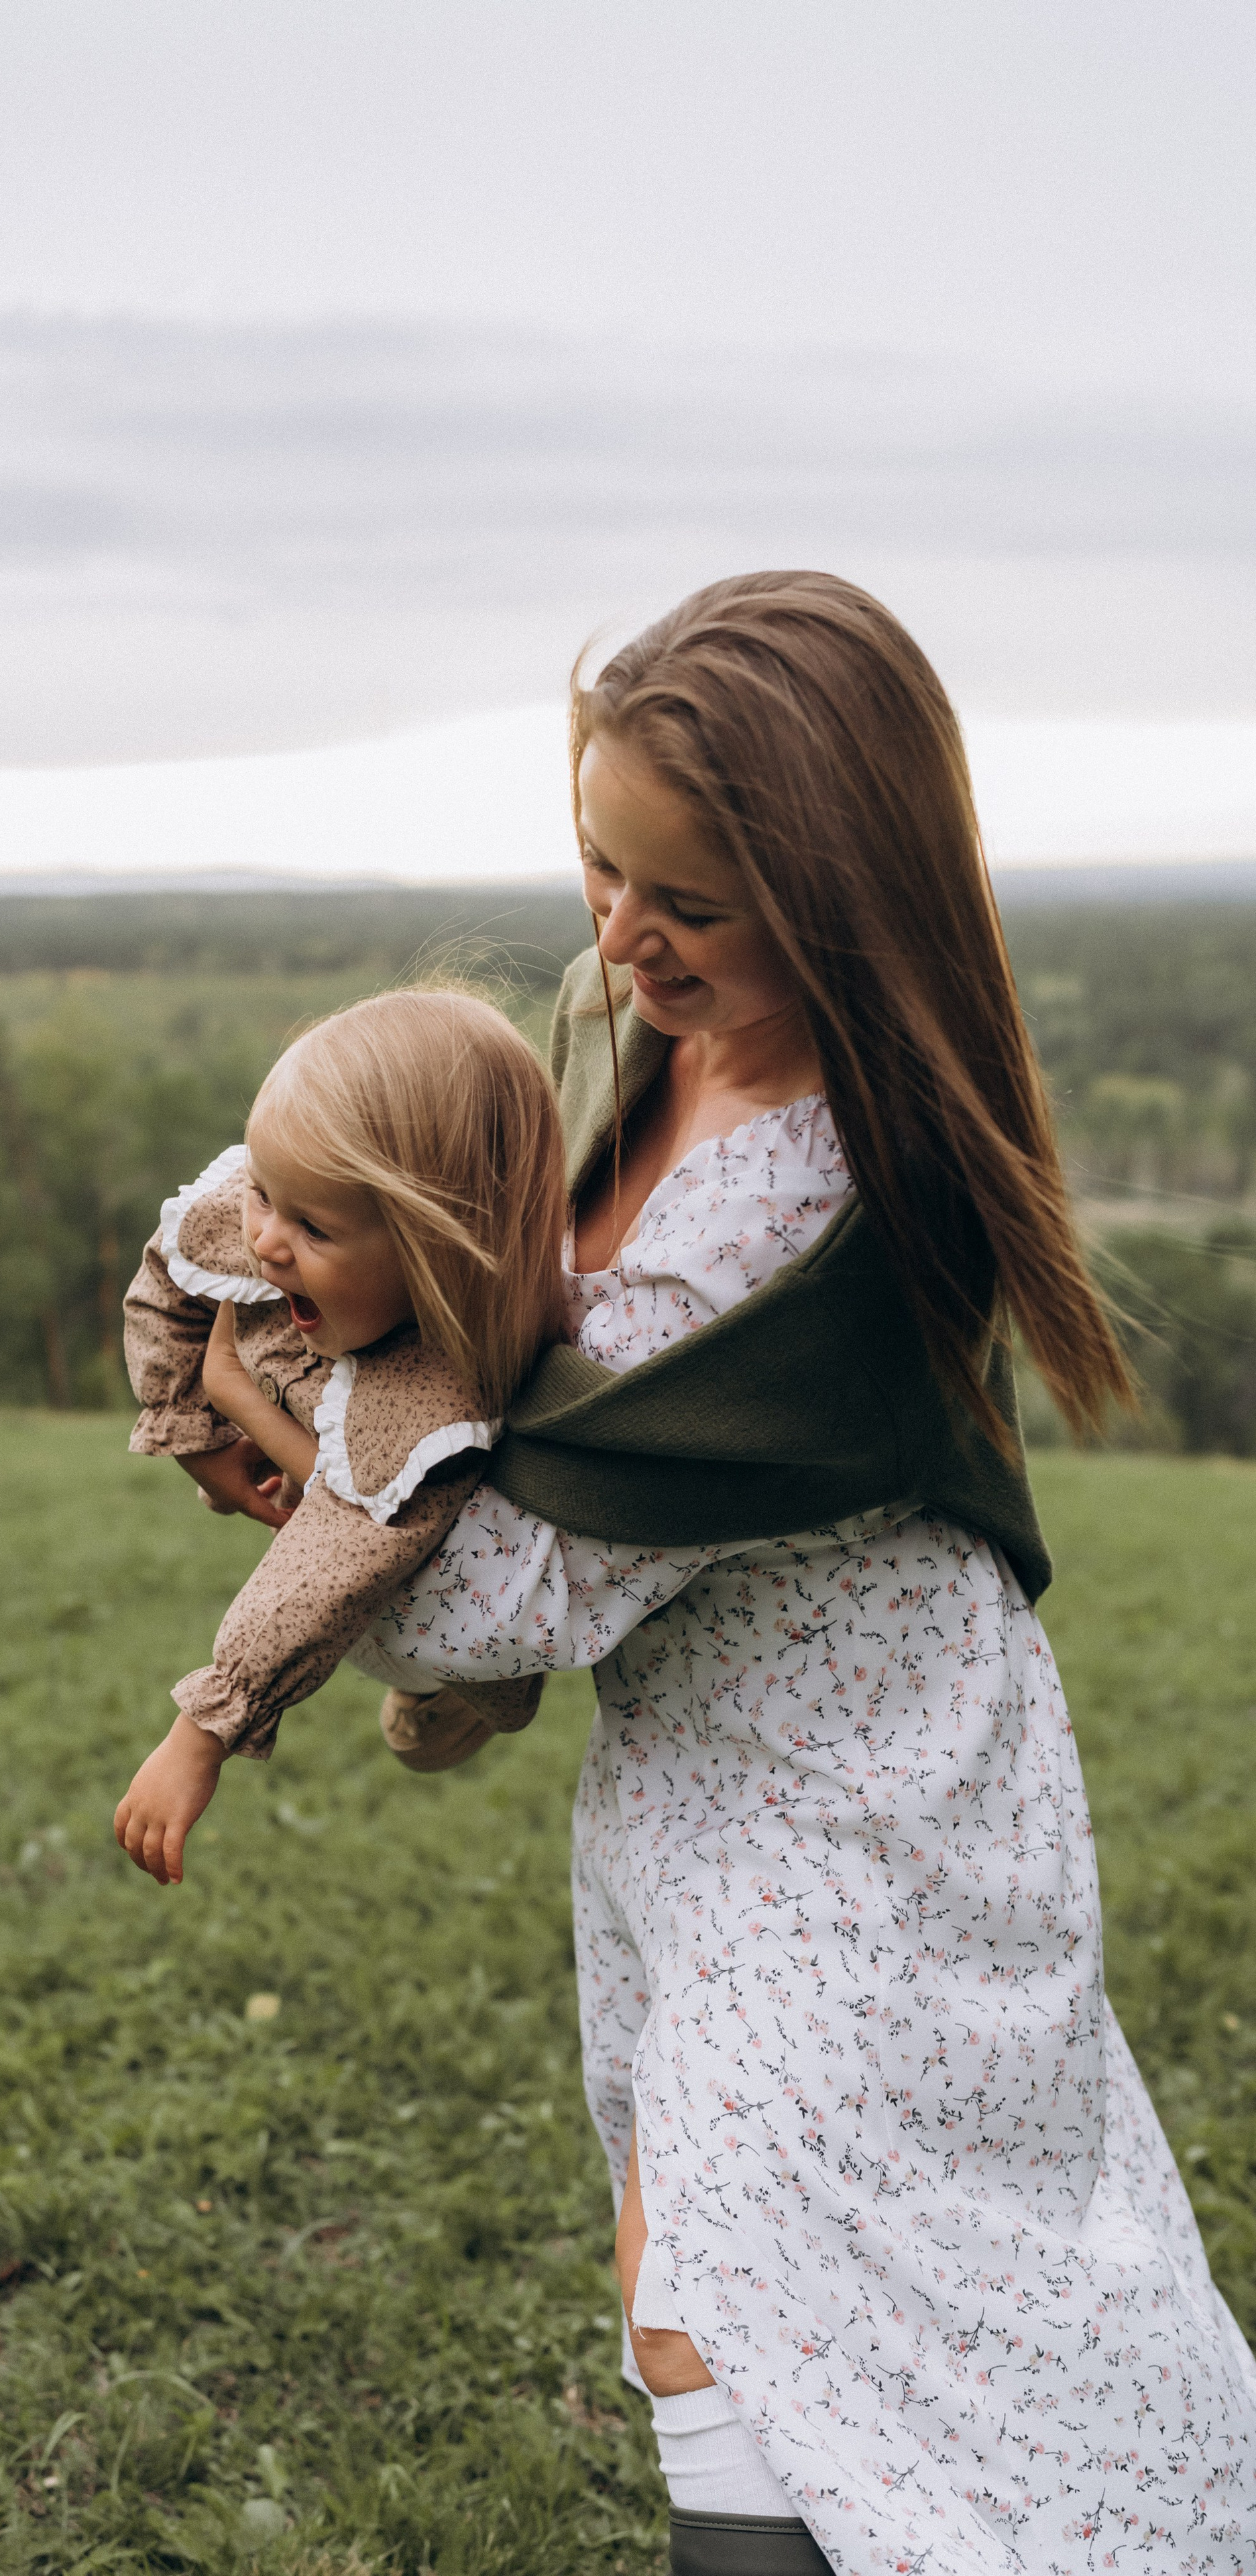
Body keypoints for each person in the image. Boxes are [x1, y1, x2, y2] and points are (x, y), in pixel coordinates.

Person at [198, 574, 1256, 2571]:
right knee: (824, 2283)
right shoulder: (700, 1054)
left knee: (761, 2302)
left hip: (850, 1807)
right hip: (748, 1769)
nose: (619, 935)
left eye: (687, 903)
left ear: (842, 902)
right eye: (602, 866)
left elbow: (503, 1590)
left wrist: (289, 1432)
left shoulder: (795, 1194)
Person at [113, 987, 563, 1885]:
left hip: (430, 1571)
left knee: (452, 1651)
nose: (269, 1240)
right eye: (266, 1196)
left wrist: (204, 1728)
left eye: (311, 1225)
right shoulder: (282, 1220)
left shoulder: (436, 1396)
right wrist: (192, 1425)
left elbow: (338, 1555)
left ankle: (447, 1698)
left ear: (436, 1246)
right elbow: (171, 1272)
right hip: (320, 1414)